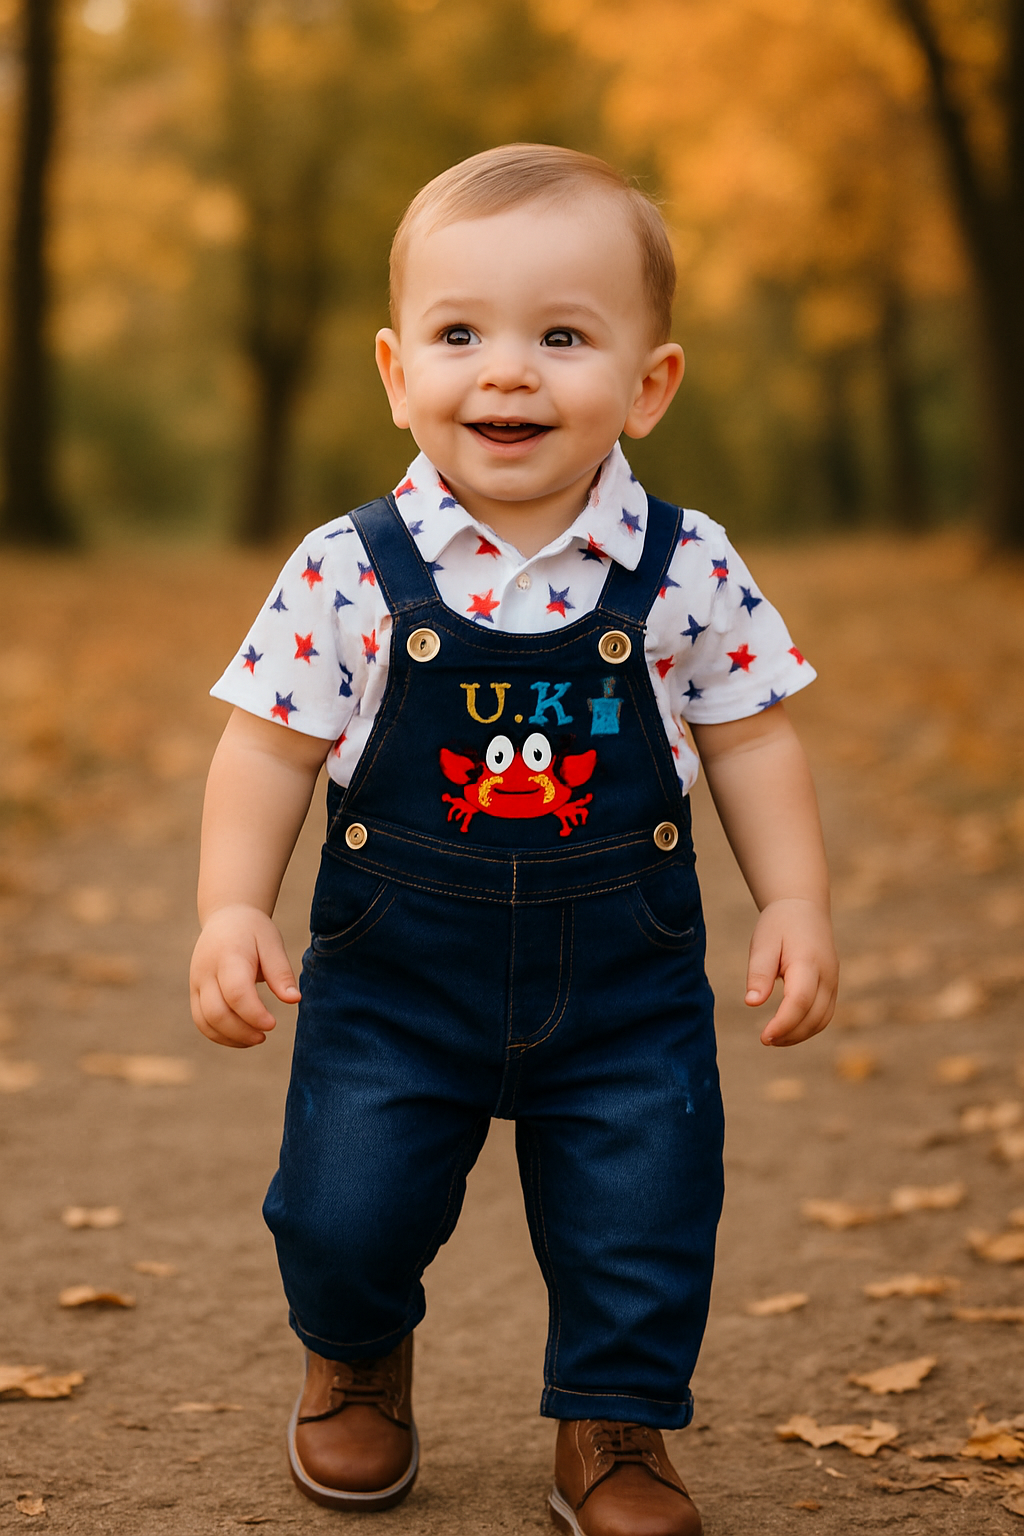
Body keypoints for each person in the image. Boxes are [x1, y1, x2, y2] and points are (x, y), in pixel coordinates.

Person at [190, 143, 838, 1536]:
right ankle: (356, 1354)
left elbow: (754, 738)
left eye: (562, 335)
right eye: (461, 333)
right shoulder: (347, 570)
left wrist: (795, 900)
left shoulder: (690, 565)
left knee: (646, 1209)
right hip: (394, 982)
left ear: (649, 383)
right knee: (344, 1206)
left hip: (625, 987)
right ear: (394, 368)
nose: (508, 372)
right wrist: (231, 906)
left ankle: (612, 1425)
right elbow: (265, 745)